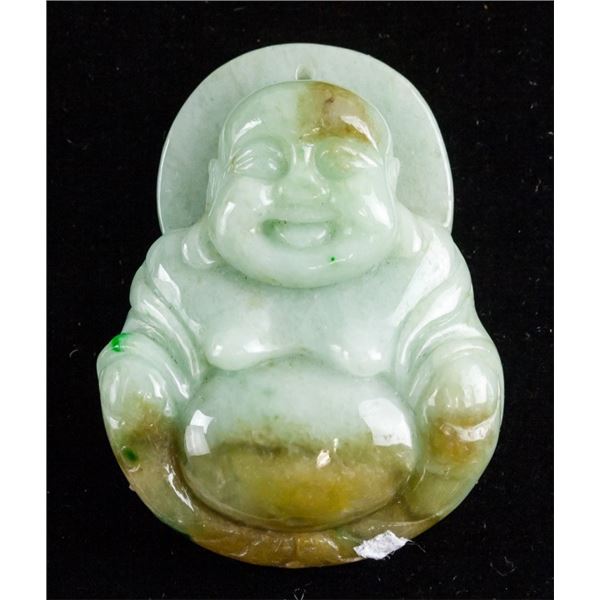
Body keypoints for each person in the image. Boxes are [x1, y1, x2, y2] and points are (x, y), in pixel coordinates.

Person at [98, 80, 503, 563]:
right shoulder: (179, 271)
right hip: (203, 496)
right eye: (264, 163)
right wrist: (137, 374)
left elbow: (451, 345)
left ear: (391, 183)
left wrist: (461, 380)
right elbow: (151, 345)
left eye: (340, 164)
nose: (301, 188)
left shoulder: (421, 270)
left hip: (390, 502)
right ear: (215, 183)